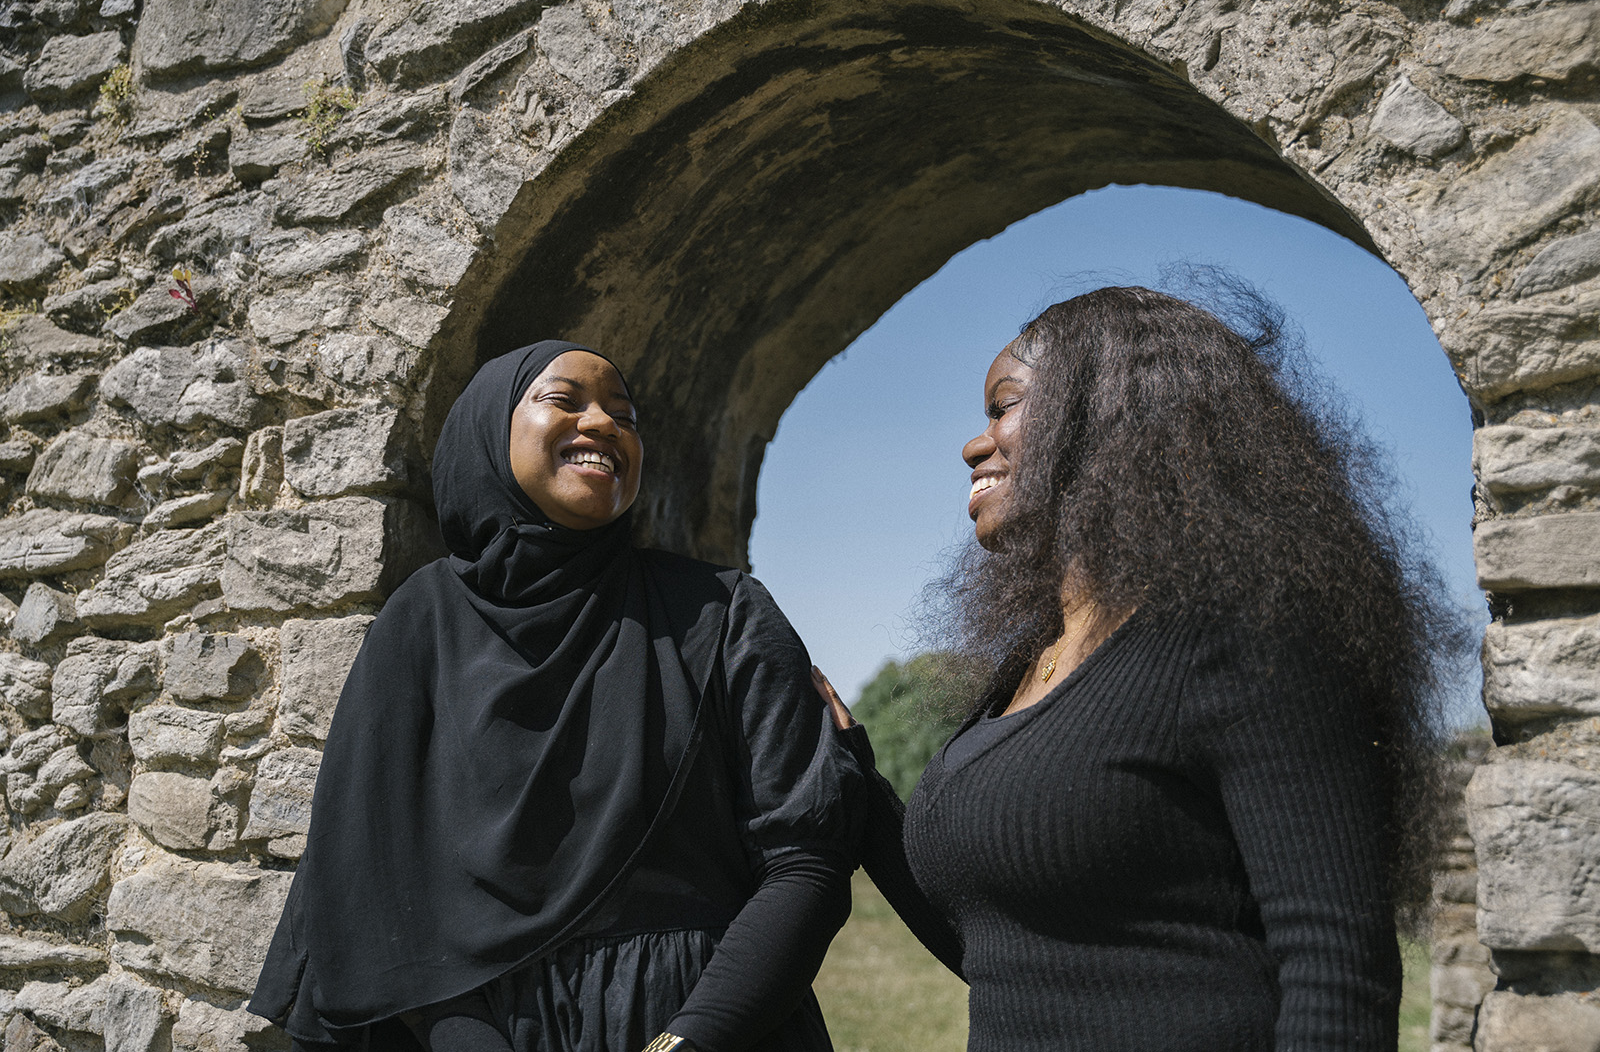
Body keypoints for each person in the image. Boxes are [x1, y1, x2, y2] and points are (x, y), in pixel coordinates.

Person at [814, 283, 1464, 1052]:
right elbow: (1008, 953)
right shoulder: (1031, 659)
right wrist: (851, 768)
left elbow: (1337, 973)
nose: (973, 443)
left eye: (1003, 406)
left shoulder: (1251, 634)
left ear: (1107, 418)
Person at [251, 340, 860, 1052]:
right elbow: (372, 888)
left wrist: (689, 1040)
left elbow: (806, 858)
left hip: (715, 1024)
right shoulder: (422, 625)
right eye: (566, 401)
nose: (604, 424)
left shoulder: (723, 616)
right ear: (491, 428)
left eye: (623, 415)